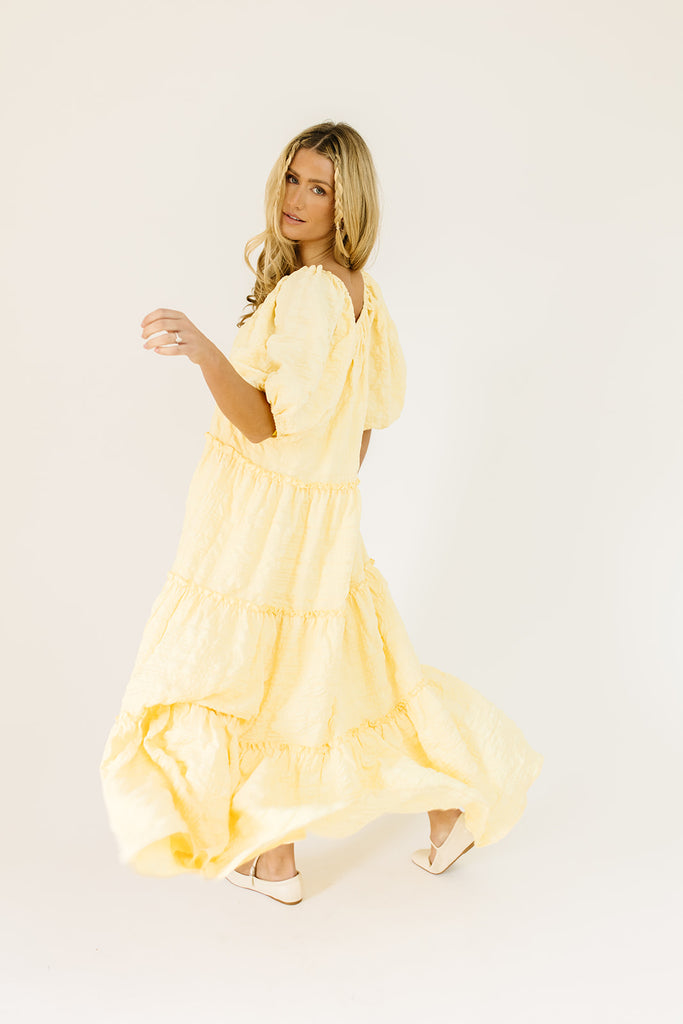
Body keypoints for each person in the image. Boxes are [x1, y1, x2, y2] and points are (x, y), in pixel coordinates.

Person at [99, 121, 543, 906]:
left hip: (270, 525)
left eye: (319, 188)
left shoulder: (309, 293)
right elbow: (361, 425)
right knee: (348, 680)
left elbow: (264, 423)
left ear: (347, 205)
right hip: (317, 520)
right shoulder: (359, 295)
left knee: (253, 679)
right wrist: (323, 501)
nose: (296, 198)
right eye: (292, 178)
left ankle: (279, 862)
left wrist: (203, 350)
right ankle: (434, 812)